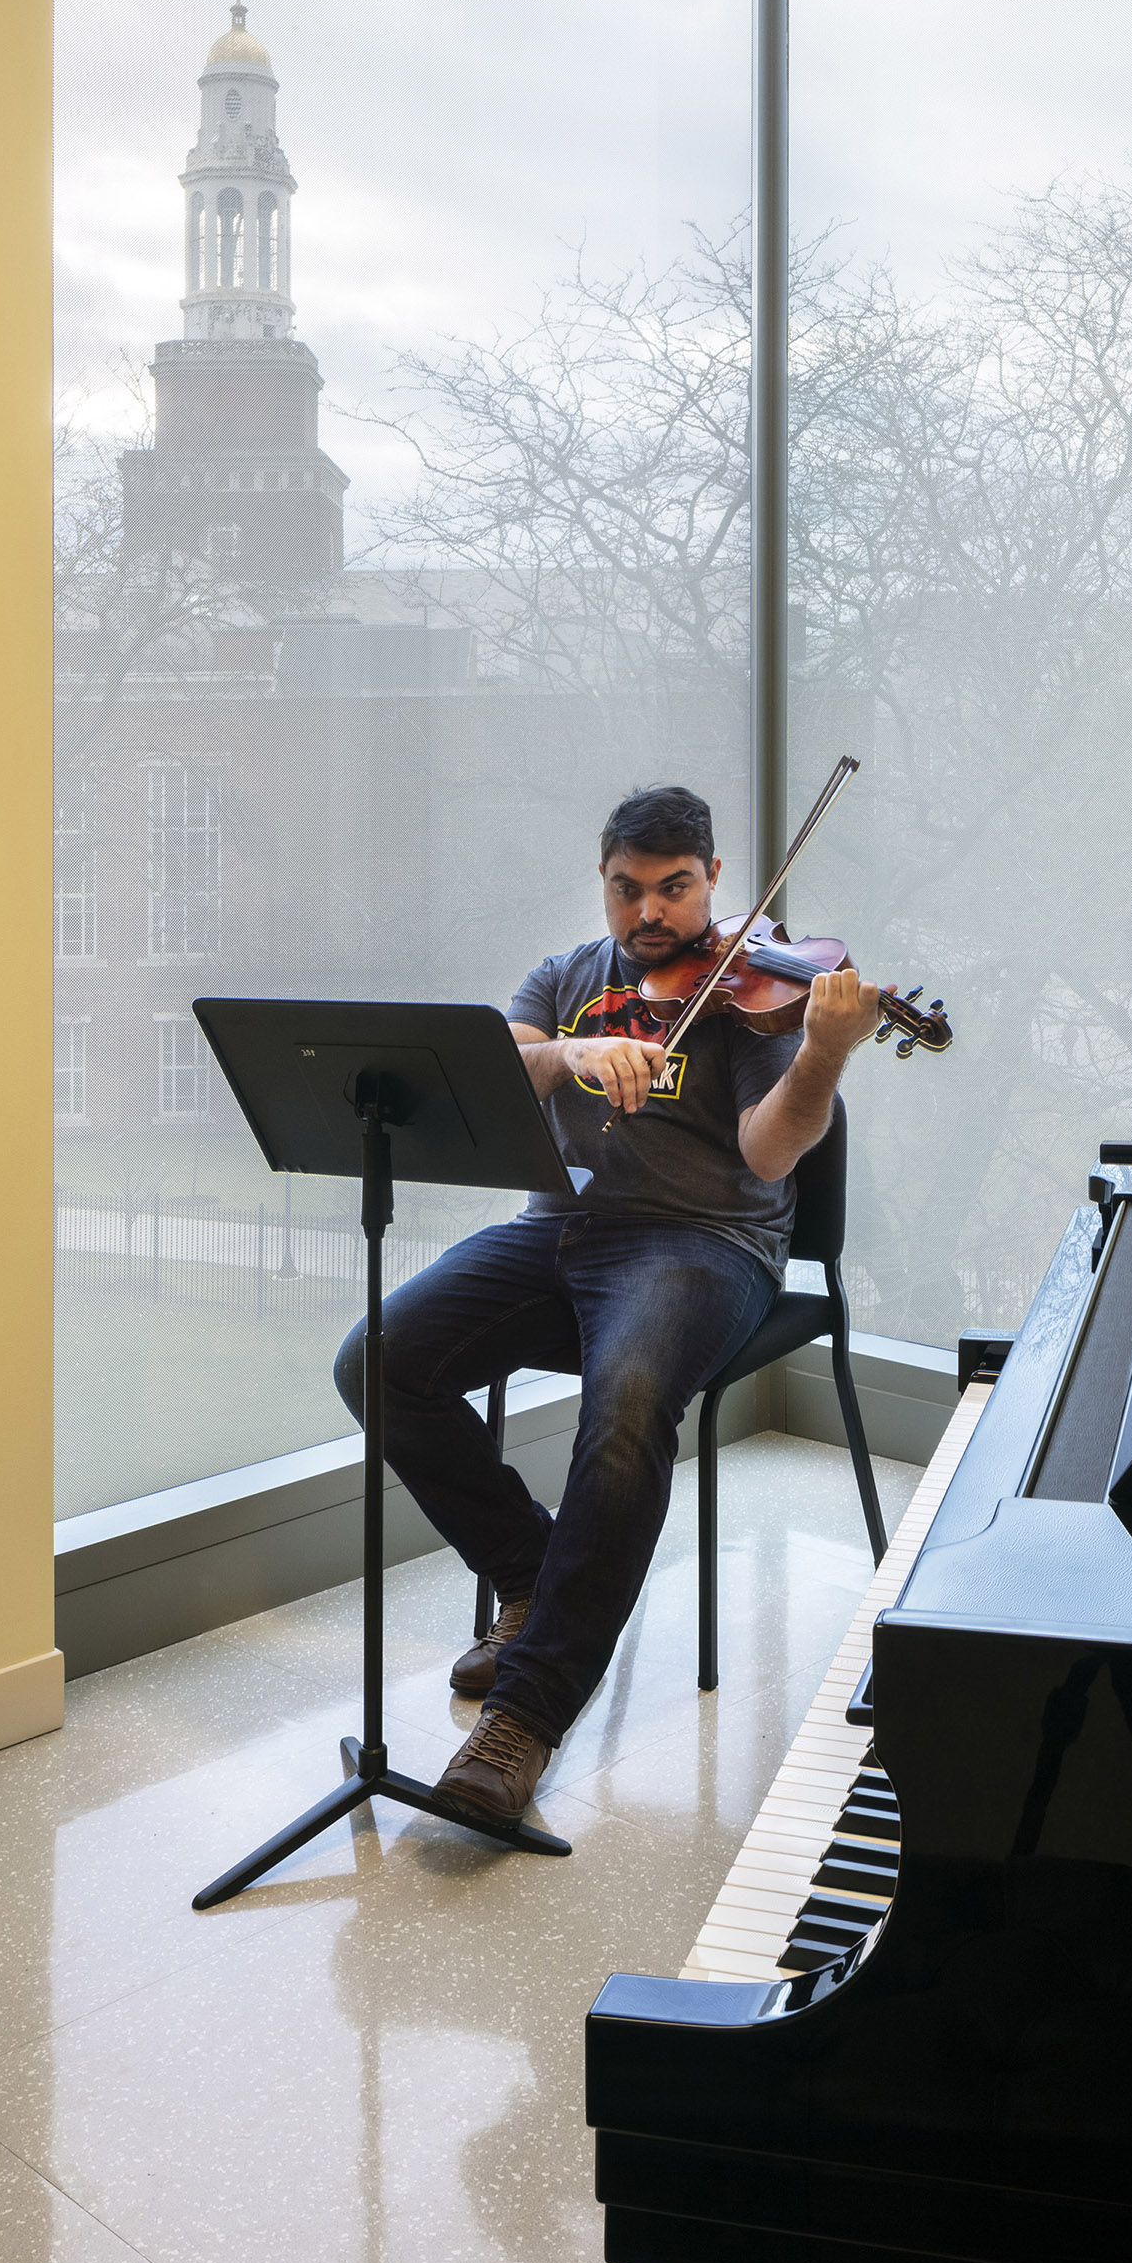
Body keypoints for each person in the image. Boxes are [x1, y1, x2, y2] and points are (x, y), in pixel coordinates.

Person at [334, 783, 883, 1829]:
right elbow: (498, 1070)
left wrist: (820, 1052)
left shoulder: (755, 988)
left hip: (703, 1243)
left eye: (674, 891)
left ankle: (528, 1716)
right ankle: (532, 1572)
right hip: (563, 1231)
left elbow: (770, 1153)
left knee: (628, 1404)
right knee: (377, 1357)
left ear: (714, 880)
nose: (649, 918)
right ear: (602, 881)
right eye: (628, 891)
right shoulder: (568, 977)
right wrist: (571, 1053)